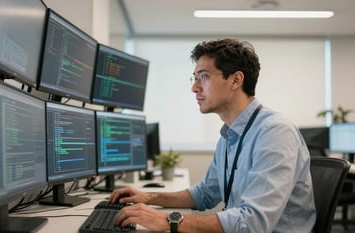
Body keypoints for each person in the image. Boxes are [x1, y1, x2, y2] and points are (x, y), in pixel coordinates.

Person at [109, 38, 316, 233]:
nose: (194, 87)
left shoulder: (274, 133)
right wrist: (149, 197)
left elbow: (253, 223)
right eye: (195, 77)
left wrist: (167, 220)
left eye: (204, 77)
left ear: (236, 80)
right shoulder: (230, 135)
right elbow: (205, 194)